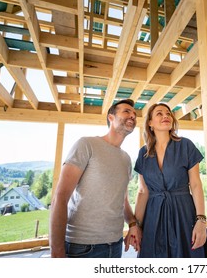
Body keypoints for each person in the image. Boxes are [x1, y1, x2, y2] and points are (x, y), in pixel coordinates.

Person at [49, 99, 141, 258]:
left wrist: (132, 223)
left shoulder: (126, 159)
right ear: (111, 117)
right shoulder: (87, 144)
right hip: (83, 246)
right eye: (126, 111)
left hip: (115, 244)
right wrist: (57, 252)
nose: (133, 115)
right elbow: (60, 197)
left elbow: (123, 200)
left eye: (134, 114)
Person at [132, 103, 207, 257]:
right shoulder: (143, 153)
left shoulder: (186, 145)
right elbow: (143, 191)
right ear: (150, 123)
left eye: (168, 113)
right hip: (153, 217)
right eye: (159, 113)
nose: (166, 116)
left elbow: (196, 185)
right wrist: (136, 226)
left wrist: (201, 221)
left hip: (184, 214)